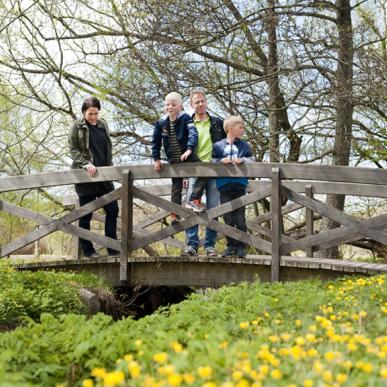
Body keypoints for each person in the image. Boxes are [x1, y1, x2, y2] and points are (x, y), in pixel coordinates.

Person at [68, 96, 120, 258]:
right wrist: (86, 163)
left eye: (96, 113)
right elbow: (73, 149)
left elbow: (106, 149)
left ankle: (112, 248)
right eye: (90, 114)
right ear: (84, 112)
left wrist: (110, 168)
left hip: (104, 175)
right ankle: (88, 250)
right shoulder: (77, 126)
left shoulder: (103, 125)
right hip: (86, 177)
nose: (93, 117)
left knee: (112, 210)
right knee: (86, 213)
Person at [182, 89, 226, 257]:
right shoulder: (187, 124)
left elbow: (228, 143)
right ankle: (191, 245)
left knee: (213, 209)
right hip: (194, 171)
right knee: (192, 209)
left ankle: (209, 246)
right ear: (191, 105)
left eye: (202, 101)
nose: (200, 104)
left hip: (214, 171)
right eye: (196, 102)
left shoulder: (217, 123)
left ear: (206, 102)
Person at [151, 92, 198, 224]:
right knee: (176, 188)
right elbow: (155, 141)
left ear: (180, 106)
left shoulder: (186, 118)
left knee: (204, 174)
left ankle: (194, 200)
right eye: (167, 104)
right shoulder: (161, 122)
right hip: (174, 160)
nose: (169, 107)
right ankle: (175, 215)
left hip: (188, 157)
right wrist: (156, 159)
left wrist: (189, 149)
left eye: (173, 104)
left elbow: (193, 134)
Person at [212, 115, 253, 258]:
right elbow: (212, 160)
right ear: (230, 128)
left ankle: (241, 247)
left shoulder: (244, 145)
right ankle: (231, 246)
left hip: (239, 186)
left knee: (240, 219)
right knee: (228, 218)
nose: (243, 130)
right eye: (240, 127)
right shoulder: (218, 145)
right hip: (223, 186)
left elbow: (252, 160)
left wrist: (243, 160)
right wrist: (219, 161)